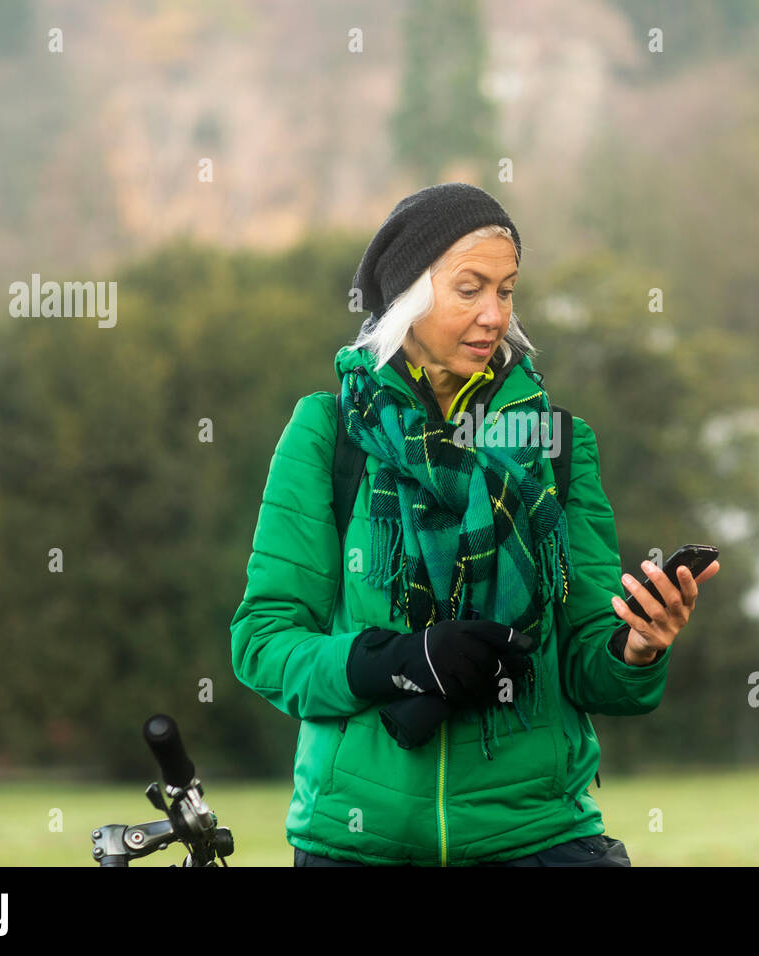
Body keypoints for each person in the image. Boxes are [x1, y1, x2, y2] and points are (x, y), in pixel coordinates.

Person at [230, 182, 719, 866]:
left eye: (507, 291)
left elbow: (589, 669)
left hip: (539, 839)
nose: (495, 315)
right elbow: (263, 644)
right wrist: (395, 662)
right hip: (361, 842)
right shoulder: (327, 436)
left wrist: (637, 647)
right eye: (470, 289)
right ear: (408, 296)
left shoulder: (558, 445)